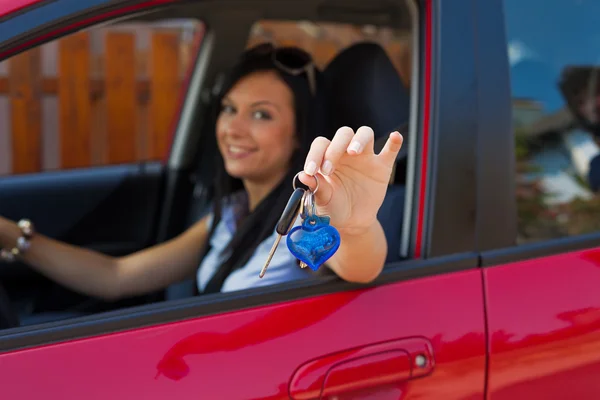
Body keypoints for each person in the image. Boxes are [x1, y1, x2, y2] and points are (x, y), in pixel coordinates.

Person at [0, 43, 403, 302]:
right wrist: (10, 235)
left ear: (299, 135)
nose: (233, 129)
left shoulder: (311, 220)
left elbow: (362, 267)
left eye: (261, 114)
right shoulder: (229, 214)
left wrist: (354, 228)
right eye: (229, 109)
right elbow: (115, 276)